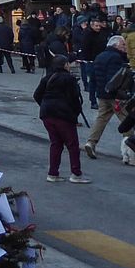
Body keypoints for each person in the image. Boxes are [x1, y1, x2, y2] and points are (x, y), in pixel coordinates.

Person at [33, 56, 90, 184]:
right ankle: (76, 173)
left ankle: (53, 173)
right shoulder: (69, 79)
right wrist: (74, 114)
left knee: (56, 143)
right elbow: (75, 99)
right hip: (63, 115)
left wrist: (45, 105)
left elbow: (37, 95)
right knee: (72, 145)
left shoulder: (47, 78)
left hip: (47, 114)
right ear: (65, 65)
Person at [83, 35, 129, 159]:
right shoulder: (116, 58)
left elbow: (93, 78)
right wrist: (119, 95)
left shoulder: (100, 56)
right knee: (127, 120)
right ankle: (130, 151)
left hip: (102, 94)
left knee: (101, 119)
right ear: (116, 45)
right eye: (123, 44)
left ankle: (91, 142)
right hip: (114, 95)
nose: (125, 47)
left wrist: (93, 95)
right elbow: (115, 79)